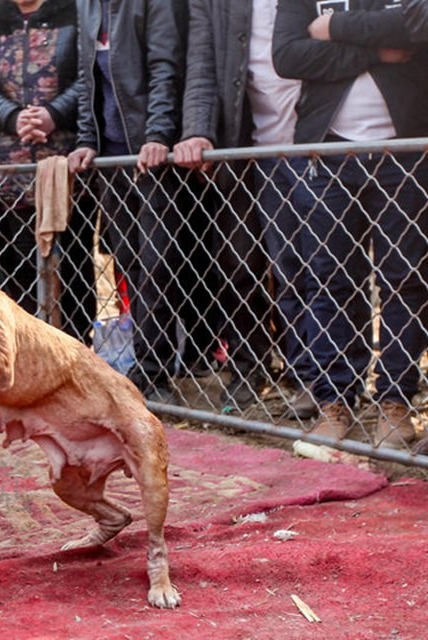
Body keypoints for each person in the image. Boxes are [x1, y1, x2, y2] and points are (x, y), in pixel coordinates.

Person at [273, 0, 428, 448]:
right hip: (328, 152)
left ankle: (395, 404)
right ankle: (334, 401)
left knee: (405, 282)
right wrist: (376, 51)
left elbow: (416, 28)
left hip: (407, 149)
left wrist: (335, 27)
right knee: (330, 280)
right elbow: (288, 55)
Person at [172, 0, 312, 415]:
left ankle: (326, 380)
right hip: (248, 143)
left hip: (321, 137)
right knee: (244, 265)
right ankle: (255, 370)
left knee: (322, 268)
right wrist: (197, 129)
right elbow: (201, 66)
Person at [69, 0, 193, 399]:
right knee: (128, 263)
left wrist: (157, 135)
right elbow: (88, 80)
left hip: (149, 152)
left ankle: (157, 371)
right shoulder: (87, 7)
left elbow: (164, 69)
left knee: (158, 264)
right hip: (112, 156)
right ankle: (143, 363)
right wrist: (87, 140)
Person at [0, 0, 94, 343]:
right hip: (10, 168)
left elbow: (88, 73)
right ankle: (28, 351)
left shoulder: (73, 11)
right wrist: (13, 117)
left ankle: (77, 347)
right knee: (19, 266)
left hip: (67, 164)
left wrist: (54, 113)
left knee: (74, 264)